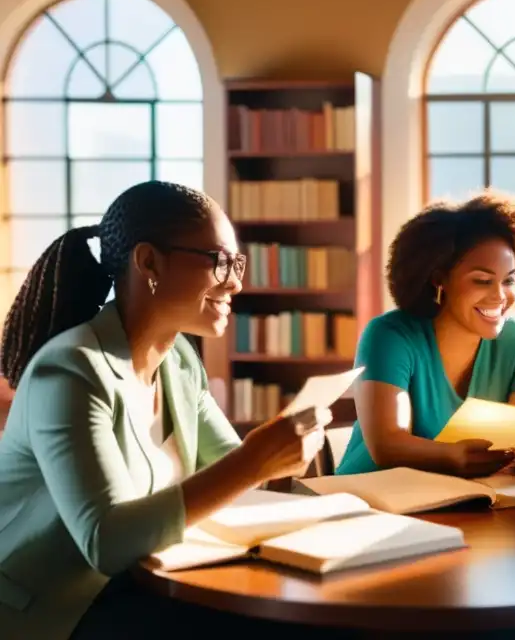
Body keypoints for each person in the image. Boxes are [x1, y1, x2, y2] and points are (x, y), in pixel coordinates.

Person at [0, 181, 329, 640]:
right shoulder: (70, 372)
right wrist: (255, 461)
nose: (235, 281)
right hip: (55, 610)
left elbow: (231, 471)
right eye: (219, 262)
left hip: (141, 583)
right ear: (148, 262)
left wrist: (285, 460)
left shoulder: (178, 361)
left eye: (238, 262)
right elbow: (106, 542)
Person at [335, 189, 515, 479]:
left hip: (469, 504)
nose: (500, 295)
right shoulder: (389, 336)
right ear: (439, 279)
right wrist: (453, 456)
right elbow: (387, 444)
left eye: (509, 280)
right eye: (482, 280)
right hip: (370, 502)